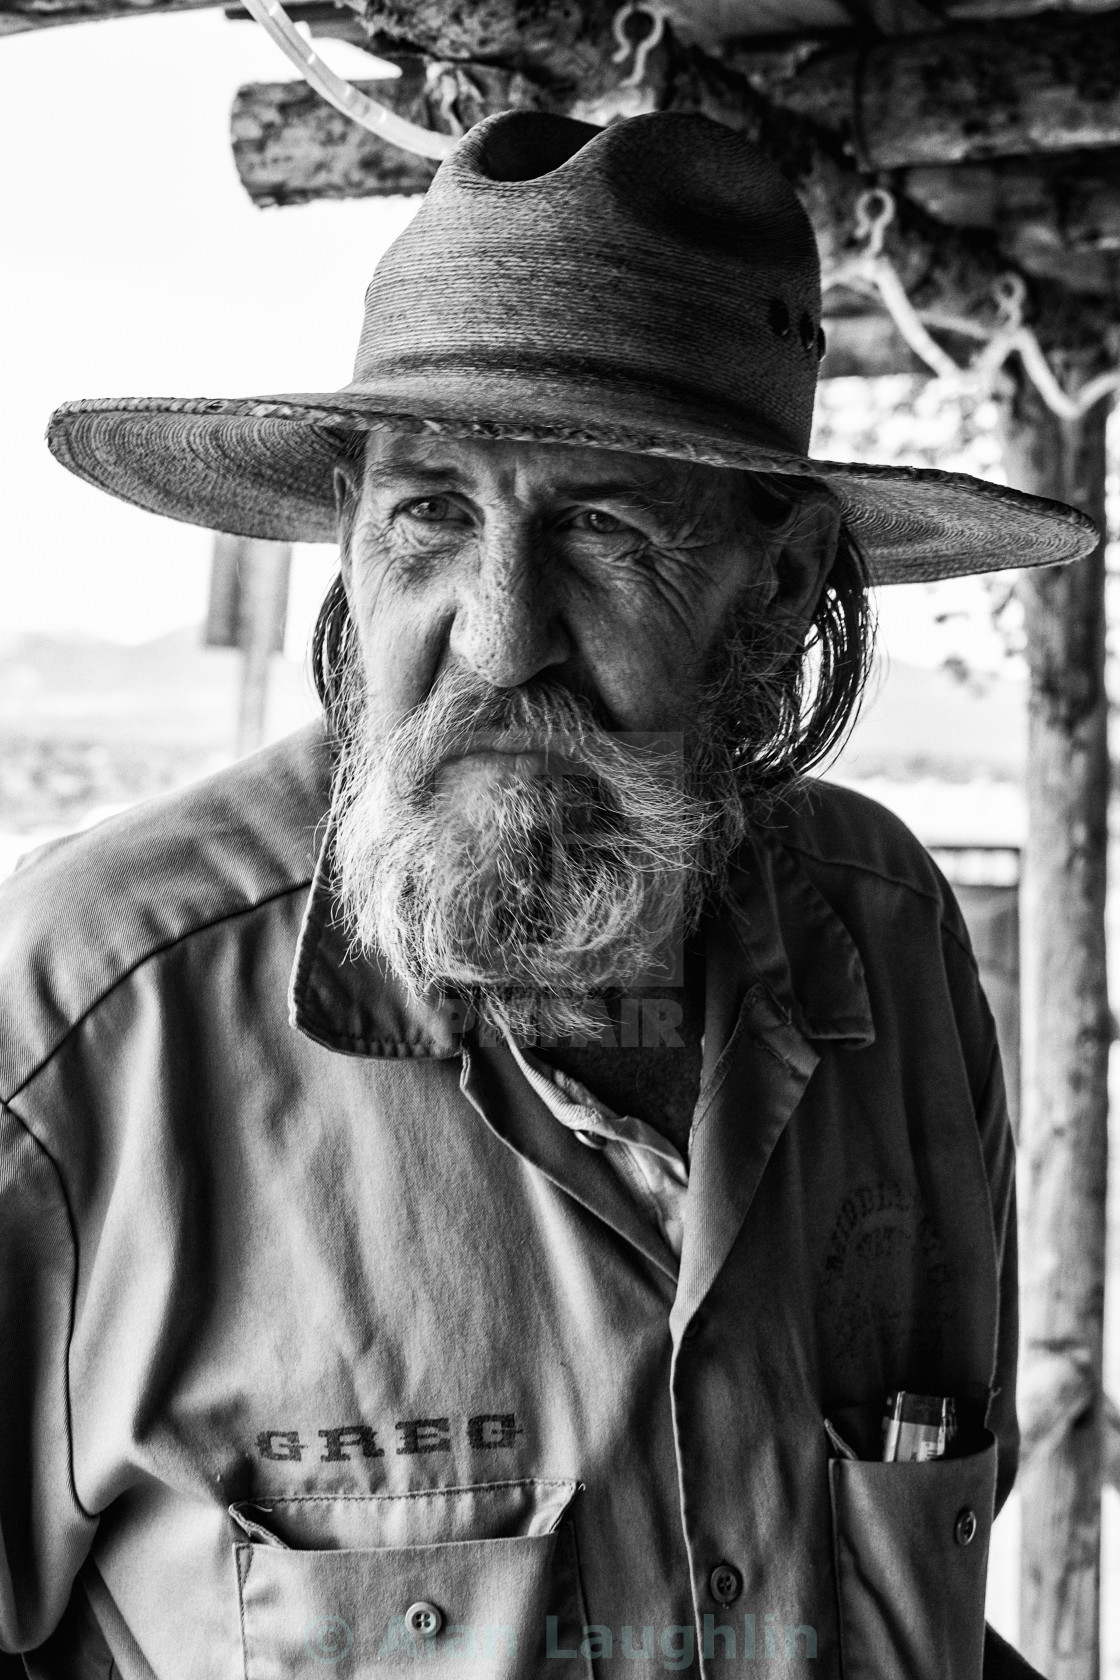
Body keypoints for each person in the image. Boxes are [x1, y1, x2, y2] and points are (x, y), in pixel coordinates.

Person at [0, 111, 1094, 1680]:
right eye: (432, 515)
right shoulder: (91, 1011)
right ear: (351, 541)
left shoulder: (892, 944)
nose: (500, 634)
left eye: (603, 526)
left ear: (777, 587)